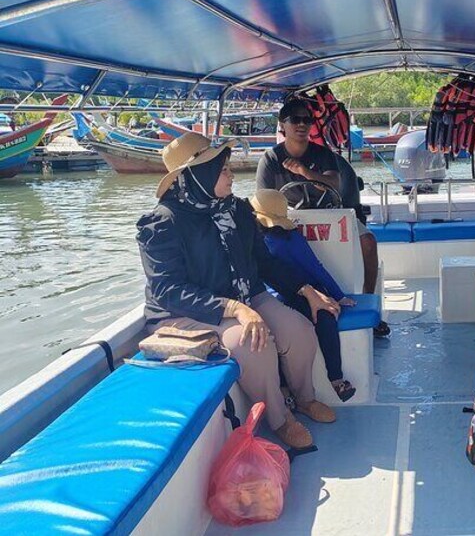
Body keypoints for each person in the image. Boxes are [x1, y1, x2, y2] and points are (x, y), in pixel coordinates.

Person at [137, 132, 337, 450]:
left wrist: (306, 290)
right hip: (187, 313)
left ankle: (305, 398)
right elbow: (167, 290)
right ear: (197, 174)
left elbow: (264, 263)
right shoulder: (162, 224)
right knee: (254, 343)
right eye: (223, 169)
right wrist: (236, 310)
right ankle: (280, 419)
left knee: (299, 330)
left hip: (244, 296)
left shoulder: (236, 210)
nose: (231, 174)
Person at [256, 98, 390, 338]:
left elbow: (334, 183)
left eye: (306, 120)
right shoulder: (270, 160)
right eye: (295, 119)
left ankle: (368, 298)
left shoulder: (323, 154)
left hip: (331, 213)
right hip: (288, 221)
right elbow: (263, 199)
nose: (301, 124)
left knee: (368, 241)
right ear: (282, 125)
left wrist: (304, 172)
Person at [250, 188, 358, 402]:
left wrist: (338, 295)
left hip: (303, 293)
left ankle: (336, 379)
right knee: (274, 333)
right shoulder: (253, 242)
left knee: (325, 317)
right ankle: (284, 390)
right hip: (275, 298)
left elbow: (315, 268)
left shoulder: (291, 239)